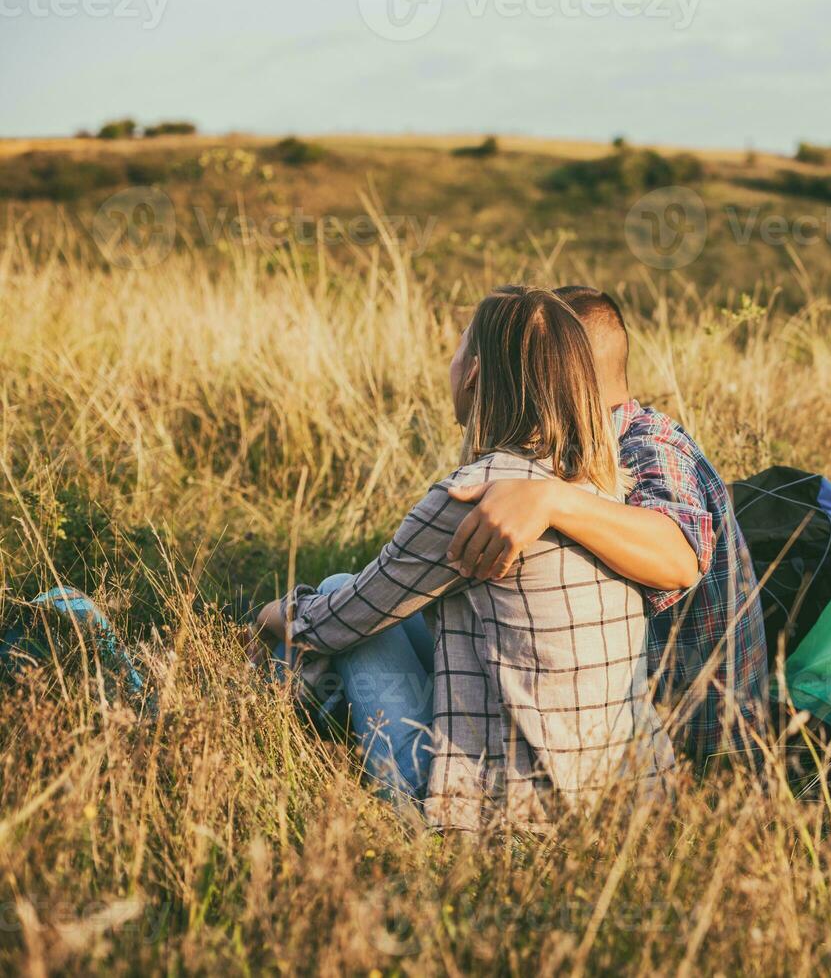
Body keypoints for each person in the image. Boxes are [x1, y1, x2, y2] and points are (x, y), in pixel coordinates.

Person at [253, 288, 674, 829]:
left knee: (333, 596)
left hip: (510, 818)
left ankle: (239, 726)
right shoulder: (602, 482)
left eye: (456, 350)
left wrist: (267, 615)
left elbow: (336, 622)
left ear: (474, 373)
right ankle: (287, 722)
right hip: (628, 801)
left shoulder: (476, 496)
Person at [444, 286, 768, 761]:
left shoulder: (645, 445)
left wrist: (553, 500)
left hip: (681, 742)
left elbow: (676, 558)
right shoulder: (581, 445)